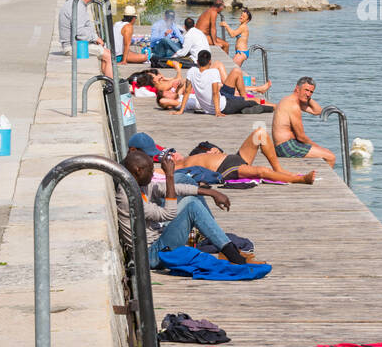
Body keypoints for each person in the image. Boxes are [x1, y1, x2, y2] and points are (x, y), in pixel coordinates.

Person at [117, 147, 265, 268]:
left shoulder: (136, 183)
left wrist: (211, 192)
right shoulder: (129, 197)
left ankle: (218, 241)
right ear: (138, 171)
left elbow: (169, 188)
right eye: (150, 170)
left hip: (160, 237)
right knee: (191, 204)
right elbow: (168, 214)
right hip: (152, 255)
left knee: (185, 181)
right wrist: (169, 176)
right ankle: (233, 255)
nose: (153, 173)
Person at [173, 122, 315, 185]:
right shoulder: (179, 166)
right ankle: (300, 180)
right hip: (225, 169)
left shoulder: (193, 154)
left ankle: (278, 169)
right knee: (261, 171)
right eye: (170, 155)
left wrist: (214, 151)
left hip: (234, 158)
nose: (174, 154)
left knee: (260, 133)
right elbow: (158, 173)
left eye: (173, 152)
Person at [173, 49, 270, 116]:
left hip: (223, 96)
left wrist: (181, 110)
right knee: (253, 102)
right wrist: (218, 111)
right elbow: (215, 93)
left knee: (236, 71)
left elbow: (186, 91)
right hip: (224, 105)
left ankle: (243, 98)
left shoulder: (191, 71)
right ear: (210, 62)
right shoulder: (213, 72)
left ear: (197, 61)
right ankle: (273, 108)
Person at [271, 77, 335, 165]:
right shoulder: (294, 106)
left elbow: (318, 111)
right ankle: (323, 178)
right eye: (306, 90)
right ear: (297, 89)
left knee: (324, 153)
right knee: (330, 157)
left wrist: (307, 97)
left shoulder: (290, 100)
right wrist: (319, 148)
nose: (308, 94)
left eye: (311, 92)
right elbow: (301, 137)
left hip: (284, 145)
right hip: (287, 147)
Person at [58, 0, 113, 77]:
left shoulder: (75, 3)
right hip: (72, 47)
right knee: (109, 56)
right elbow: (79, 32)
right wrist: (95, 38)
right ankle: (113, 88)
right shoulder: (77, 6)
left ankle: (108, 82)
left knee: (105, 54)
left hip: (75, 44)